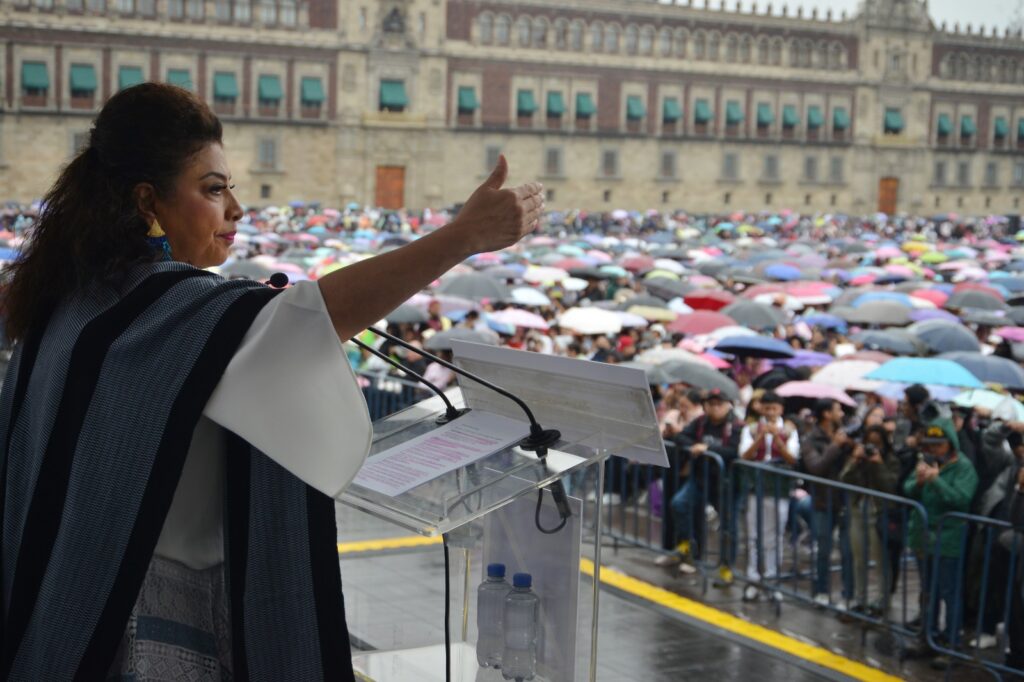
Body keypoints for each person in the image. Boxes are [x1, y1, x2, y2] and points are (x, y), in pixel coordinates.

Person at [0, 84, 544, 678]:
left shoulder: (71, 299)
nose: (236, 209)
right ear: (145, 203)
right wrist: (461, 236)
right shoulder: (164, 309)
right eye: (213, 189)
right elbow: (311, 317)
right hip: (140, 636)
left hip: (57, 608)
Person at [902, 418, 979, 664]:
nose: (933, 450)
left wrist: (937, 481)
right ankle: (927, 637)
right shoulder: (926, 461)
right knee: (927, 591)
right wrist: (920, 481)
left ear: (950, 444)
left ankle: (953, 644)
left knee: (949, 591)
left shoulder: (964, 467)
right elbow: (908, 488)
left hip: (949, 538)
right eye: (930, 445)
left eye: (939, 445)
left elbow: (961, 499)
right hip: (923, 536)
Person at [657, 389, 743, 580]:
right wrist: (694, 445)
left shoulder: (735, 425)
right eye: (710, 404)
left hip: (726, 484)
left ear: (728, 404)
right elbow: (681, 437)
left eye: (718, 404)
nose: (714, 408)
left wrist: (708, 448)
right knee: (679, 504)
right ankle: (687, 544)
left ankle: (727, 567)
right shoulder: (701, 422)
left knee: (728, 528)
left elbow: (734, 451)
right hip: (700, 478)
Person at [738, 391, 800, 602]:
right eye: (767, 409)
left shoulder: (790, 431)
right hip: (756, 487)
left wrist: (777, 438)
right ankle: (753, 578)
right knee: (755, 535)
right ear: (761, 409)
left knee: (775, 536)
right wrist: (761, 437)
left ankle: (772, 579)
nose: (771, 413)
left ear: (781, 410)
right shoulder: (751, 429)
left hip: (779, 489)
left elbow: (792, 458)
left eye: (774, 409)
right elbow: (744, 455)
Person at [839, 425, 900, 616]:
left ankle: (883, 599)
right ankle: (860, 598)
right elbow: (844, 479)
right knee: (858, 558)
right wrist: (855, 460)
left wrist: (879, 465)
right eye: (869, 443)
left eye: (877, 443)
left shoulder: (891, 460)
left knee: (881, 559)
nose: (872, 447)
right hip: (858, 510)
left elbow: (890, 487)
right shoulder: (859, 459)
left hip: (879, 513)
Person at [801, 399, 854, 609]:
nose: (841, 412)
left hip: (846, 499)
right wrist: (835, 447)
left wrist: (851, 448)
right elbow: (816, 467)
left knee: (847, 551)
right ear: (826, 414)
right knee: (823, 550)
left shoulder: (846, 434)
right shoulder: (810, 439)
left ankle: (848, 595)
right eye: (837, 409)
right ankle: (821, 591)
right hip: (823, 502)